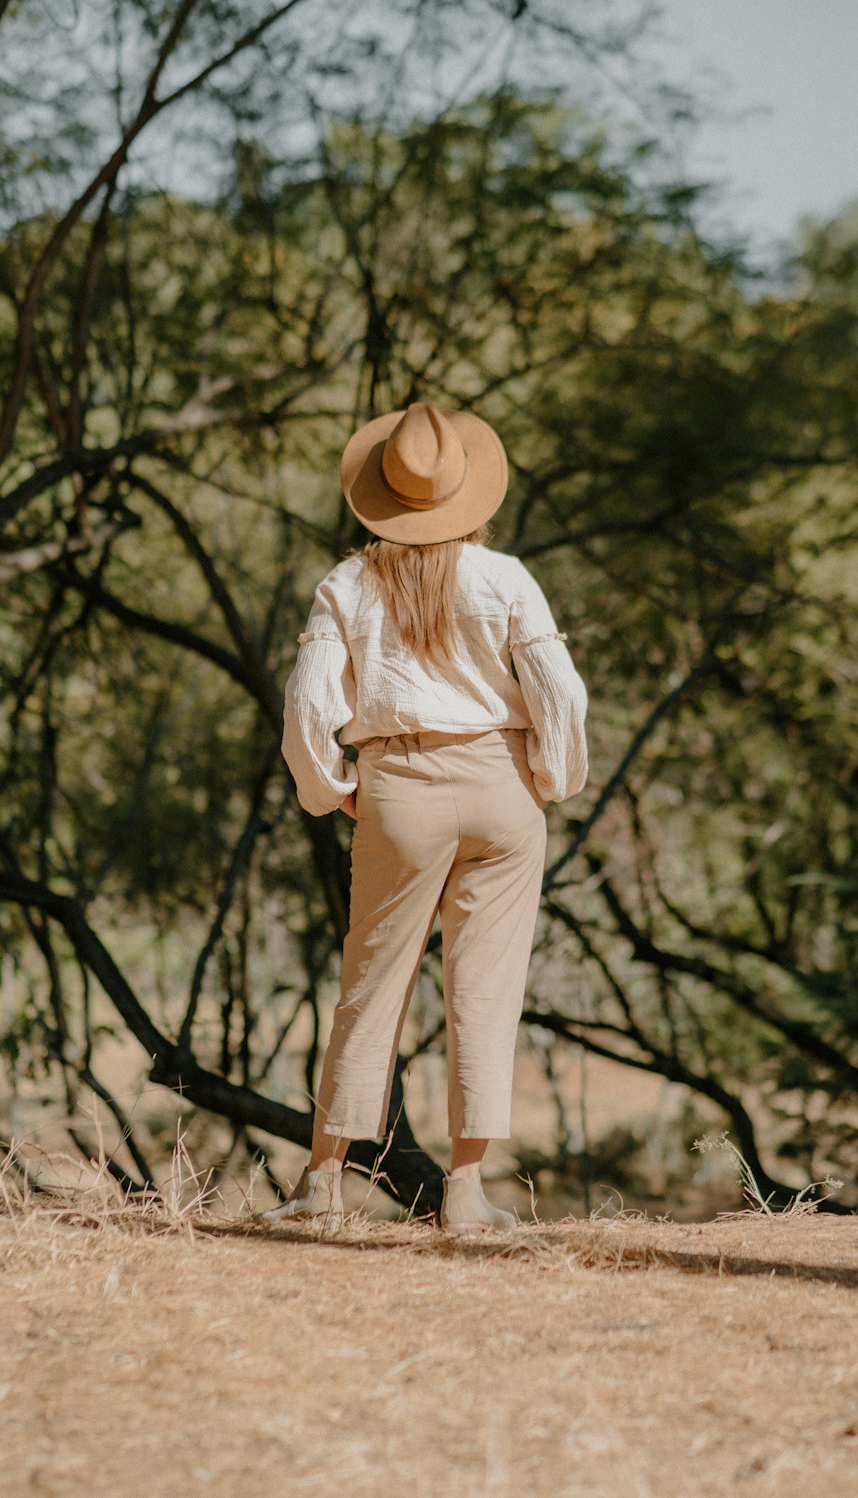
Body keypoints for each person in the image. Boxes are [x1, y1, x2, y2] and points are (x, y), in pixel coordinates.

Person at [265, 401, 588, 1235]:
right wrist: (552, 775)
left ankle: (321, 1183)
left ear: (379, 493)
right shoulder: (506, 576)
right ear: (467, 493)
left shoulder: (346, 584)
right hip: (502, 785)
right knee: (486, 989)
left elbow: (306, 700)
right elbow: (560, 691)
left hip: (397, 786)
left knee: (370, 984)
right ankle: (467, 1192)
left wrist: (328, 785)